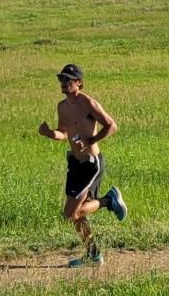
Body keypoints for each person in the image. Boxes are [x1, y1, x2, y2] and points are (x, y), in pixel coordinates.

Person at [37, 64, 127, 267]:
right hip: (75, 163)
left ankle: (107, 201)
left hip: (90, 164)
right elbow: (64, 133)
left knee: (71, 213)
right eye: (62, 79)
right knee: (76, 215)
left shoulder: (88, 103)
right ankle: (93, 254)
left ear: (79, 83)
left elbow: (112, 125)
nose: (64, 83)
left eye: (68, 79)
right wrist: (50, 133)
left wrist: (91, 140)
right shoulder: (62, 106)